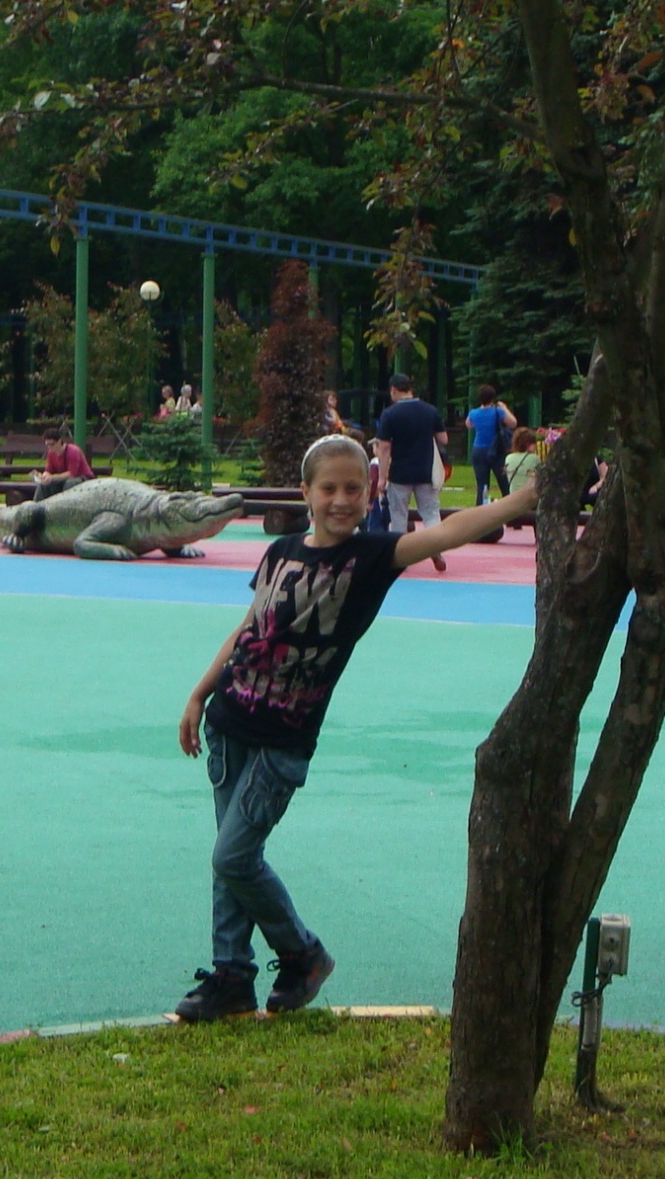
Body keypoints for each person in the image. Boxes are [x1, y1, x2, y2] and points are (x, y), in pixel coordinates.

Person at [173, 434, 541, 1021]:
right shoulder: (280, 551)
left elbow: (446, 533)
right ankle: (231, 975)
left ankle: (303, 955)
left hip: (283, 741)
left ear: (369, 494)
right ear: (306, 493)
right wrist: (199, 692)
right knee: (231, 859)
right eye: (329, 488)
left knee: (232, 858)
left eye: (353, 489)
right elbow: (249, 628)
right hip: (229, 724)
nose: (341, 500)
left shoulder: (370, 558)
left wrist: (521, 501)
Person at [372, 375, 448, 572]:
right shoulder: (430, 410)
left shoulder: (390, 414)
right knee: (430, 513)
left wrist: (382, 477)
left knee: (398, 515)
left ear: (393, 390)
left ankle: (400, 557)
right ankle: (435, 548)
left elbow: (384, 448)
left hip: (400, 473)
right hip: (425, 471)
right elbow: (444, 439)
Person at [462, 383, 519, 505]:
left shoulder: (474, 413)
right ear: (493, 398)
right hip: (496, 450)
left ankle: (481, 508)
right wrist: (504, 407)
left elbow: (469, 424)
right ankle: (508, 507)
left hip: (478, 450)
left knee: (482, 485)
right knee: (504, 482)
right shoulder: (498, 412)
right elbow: (513, 423)